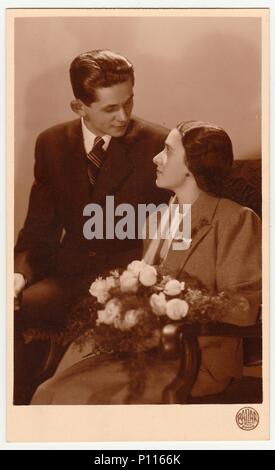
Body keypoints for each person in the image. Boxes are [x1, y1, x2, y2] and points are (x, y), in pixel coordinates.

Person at [31, 120, 261, 405]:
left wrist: (177, 303)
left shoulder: (235, 220)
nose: (156, 158)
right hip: (142, 352)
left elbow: (245, 308)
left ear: (191, 165)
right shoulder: (156, 220)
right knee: (49, 391)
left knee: (76, 396)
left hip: (195, 360)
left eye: (167, 151)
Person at [13, 49, 170, 404]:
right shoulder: (50, 143)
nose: (124, 116)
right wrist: (17, 276)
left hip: (127, 285)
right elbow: (39, 230)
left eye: (129, 102)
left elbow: (171, 236)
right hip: (67, 277)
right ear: (78, 107)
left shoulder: (159, 144)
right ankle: (18, 419)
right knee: (12, 311)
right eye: (110, 108)